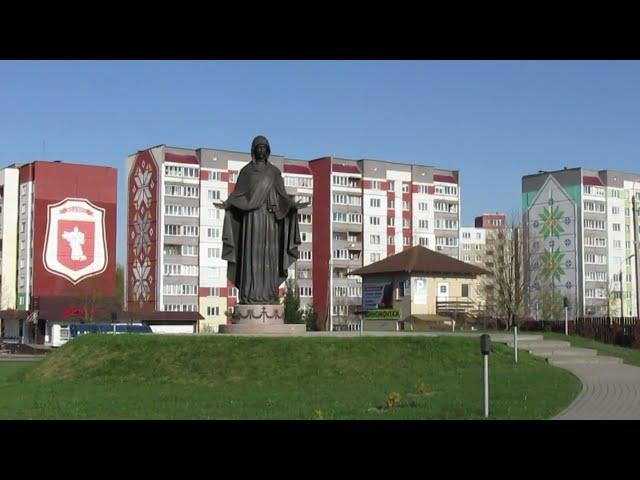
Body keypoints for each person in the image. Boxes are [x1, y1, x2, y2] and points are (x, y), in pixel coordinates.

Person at [215, 136, 308, 304]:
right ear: (253, 150)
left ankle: (269, 293)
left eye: (264, 147)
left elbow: (282, 197)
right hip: (251, 221)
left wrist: (292, 206)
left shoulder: (274, 172)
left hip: (270, 221)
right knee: (251, 255)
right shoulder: (246, 172)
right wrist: (228, 204)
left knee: (269, 256)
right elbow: (238, 195)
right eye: (258, 147)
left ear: (268, 151)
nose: (261, 150)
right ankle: (249, 294)